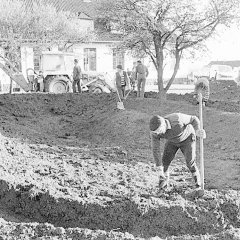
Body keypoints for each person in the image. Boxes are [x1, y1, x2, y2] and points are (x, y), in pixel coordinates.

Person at [149, 113, 206, 196]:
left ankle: (198, 185)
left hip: (187, 138)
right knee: (165, 162)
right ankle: (163, 187)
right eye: (156, 132)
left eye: (159, 131)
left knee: (190, 162)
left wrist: (198, 130)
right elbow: (156, 149)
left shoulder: (177, 119)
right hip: (172, 142)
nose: (158, 134)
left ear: (164, 125)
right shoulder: (155, 133)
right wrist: (159, 168)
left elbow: (193, 119)